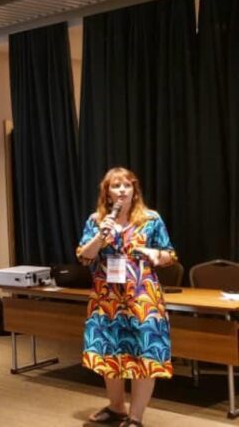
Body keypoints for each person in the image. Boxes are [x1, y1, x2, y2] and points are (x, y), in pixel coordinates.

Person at [77, 168, 175, 427]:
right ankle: (116, 407)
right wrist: (101, 235)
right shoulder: (96, 220)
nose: (122, 190)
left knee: (144, 354)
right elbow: (84, 256)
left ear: (135, 191)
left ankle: (135, 418)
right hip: (107, 298)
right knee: (110, 352)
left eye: (127, 186)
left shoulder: (151, 219)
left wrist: (156, 254)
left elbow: (170, 255)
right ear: (107, 193)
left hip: (143, 298)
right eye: (115, 186)